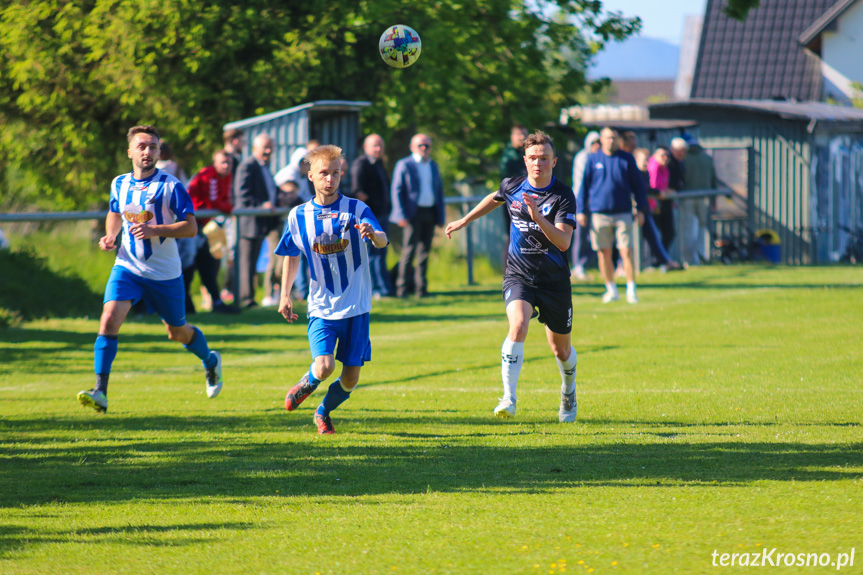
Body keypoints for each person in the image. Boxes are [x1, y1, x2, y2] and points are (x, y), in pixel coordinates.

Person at [76, 125, 224, 413]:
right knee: (108, 321)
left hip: (164, 274)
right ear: (130, 151)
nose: (147, 151)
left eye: (153, 147)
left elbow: (191, 227)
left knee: (177, 332)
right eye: (142, 146)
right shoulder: (119, 183)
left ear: (158, 151)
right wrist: (111, 236)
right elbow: (114, 211)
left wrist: (156, 229)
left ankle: (210, 360)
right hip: (128, 267)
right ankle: (100, 392)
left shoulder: (171, 185)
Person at [445, 130, 579, 423]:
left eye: (544, 158)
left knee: (561, 349)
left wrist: (538, 216)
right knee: (517, 325)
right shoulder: (513, 185)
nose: (538, 164)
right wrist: (465, 219)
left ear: (554, 161)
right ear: (525, 160)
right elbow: (496, 198)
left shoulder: (563, 195)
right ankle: (508, 398)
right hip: (519, 275)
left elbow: (564, 242)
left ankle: (569, 390)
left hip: (555, 282)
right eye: (533, 158)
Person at [275, 144, 388, 435]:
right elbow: (290, 253)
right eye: (324, 173)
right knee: (324, 367)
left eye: (335, 173)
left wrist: (373, 235)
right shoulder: (298, 215)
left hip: (357, 306)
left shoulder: (356, 208)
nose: (330, 179)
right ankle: (308, 383)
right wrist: (285, 294)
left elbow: (382, 239)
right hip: (322, 306)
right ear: (310, 175)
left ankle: (322, 411)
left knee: (350, 378)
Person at [577, 127, 649, 304]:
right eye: (608, 137)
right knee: (604, 253)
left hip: (623, 212)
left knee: (626, 251)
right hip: (599, 213)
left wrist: (641, 209)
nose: (611, 141)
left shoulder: (626, 159)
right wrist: (580, 210)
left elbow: (638, 187)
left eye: (614, 138)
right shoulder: (593, 160)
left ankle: (631, 289)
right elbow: (584, 187)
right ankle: (611, 289)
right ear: (601, 139)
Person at [179, 150, 238, 314]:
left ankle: (216, 302)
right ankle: (184, 303)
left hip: (203, 227)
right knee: (188, 265)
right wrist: (232, 209)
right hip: (190, 225)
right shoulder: (208, 175)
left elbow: (222, 199)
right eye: (222, 162)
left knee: (208, 264)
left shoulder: (225, 177)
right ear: (215, 163)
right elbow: (214, 201)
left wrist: (227, 207)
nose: (226, 166)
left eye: (229, 163)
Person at [390, 133, 445, 298]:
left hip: (429, 211)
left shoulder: (433, 165)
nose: (424, 148)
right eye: (420, 145)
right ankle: (402, 289)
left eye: (427, 145)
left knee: (425, 251)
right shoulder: (405, 164)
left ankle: (421, 289)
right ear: (412, 147)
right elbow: (397, 189)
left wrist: (440, 216)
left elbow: (439, 191)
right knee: (409, 251)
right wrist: (400, 215)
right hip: (411, 214)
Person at [234, 133, 280, 309]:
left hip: (260, 224)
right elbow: (242, 195)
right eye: (265, 148)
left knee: (252, 263)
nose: (268, 151)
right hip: (248, 224)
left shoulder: (264, 167)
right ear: (255, 148)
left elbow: (270, 190)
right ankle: (245, 299)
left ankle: (248, 298)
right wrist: (262, 205)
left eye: (271, 148)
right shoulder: (248, 166)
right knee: (246, 263)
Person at [350, 134, 394, 298]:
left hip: (382, 215)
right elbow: (358, 192)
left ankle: (385, 288)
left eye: (381, 145)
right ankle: (375, 289)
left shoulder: (380, 164)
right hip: (369, 218)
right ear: (365, 147)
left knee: (381, 253)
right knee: (372, 255)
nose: (378, 149)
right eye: (375, 145)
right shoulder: (361, 165)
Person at [680, 135, 717, 266]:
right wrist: (714, 201)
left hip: (687, 197)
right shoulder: (707, 158)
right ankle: (702, 254)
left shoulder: (684, 159)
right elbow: (714, 180)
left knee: (689, 229)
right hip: (705, 198)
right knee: (702, 227)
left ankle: (691, 259)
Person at [570, 131, 600, 280]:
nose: (597, 146)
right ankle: (578, 266)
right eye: (594, 143)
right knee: (580, 234)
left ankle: (587, 264)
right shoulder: (583, 157)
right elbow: (582, 182)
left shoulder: (599, 157)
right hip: (580, 199)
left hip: (595, 201)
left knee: (593, 235)